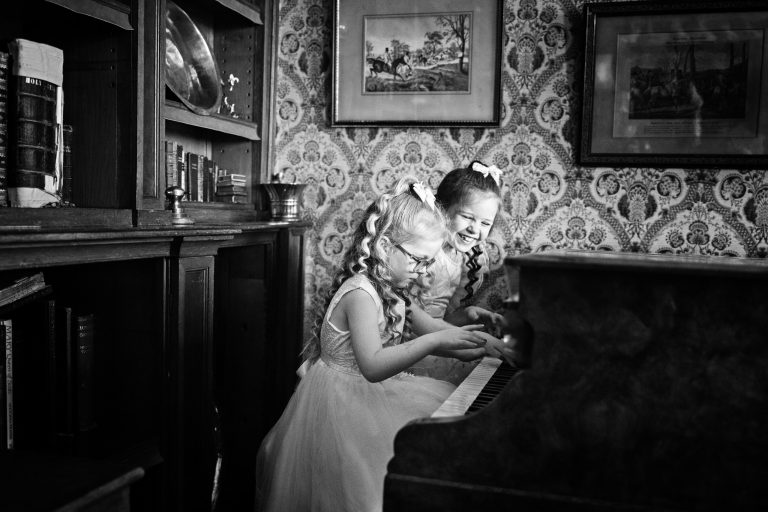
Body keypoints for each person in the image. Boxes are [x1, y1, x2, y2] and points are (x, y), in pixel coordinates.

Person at [255, 178, 487, 512]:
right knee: (365, 493)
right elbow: (374, 365)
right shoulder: (361, 292)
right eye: (418, 260)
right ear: (385, 244)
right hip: (340, 404)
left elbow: (436, 330)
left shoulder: (392, 289)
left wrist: (487, 345)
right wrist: (437, 339)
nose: (423, 274)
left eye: (428, 264)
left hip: (368, 394)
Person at [407, 160, 507, 384]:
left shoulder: (462, 260)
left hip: (432, 346)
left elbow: (437, 319)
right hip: (403, 350)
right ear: (442, 209)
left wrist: (465, 315)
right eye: (468, 217)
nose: (475, 229)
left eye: (485, 223)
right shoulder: (421, 254)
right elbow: (403, 311)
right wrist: (465, 338)